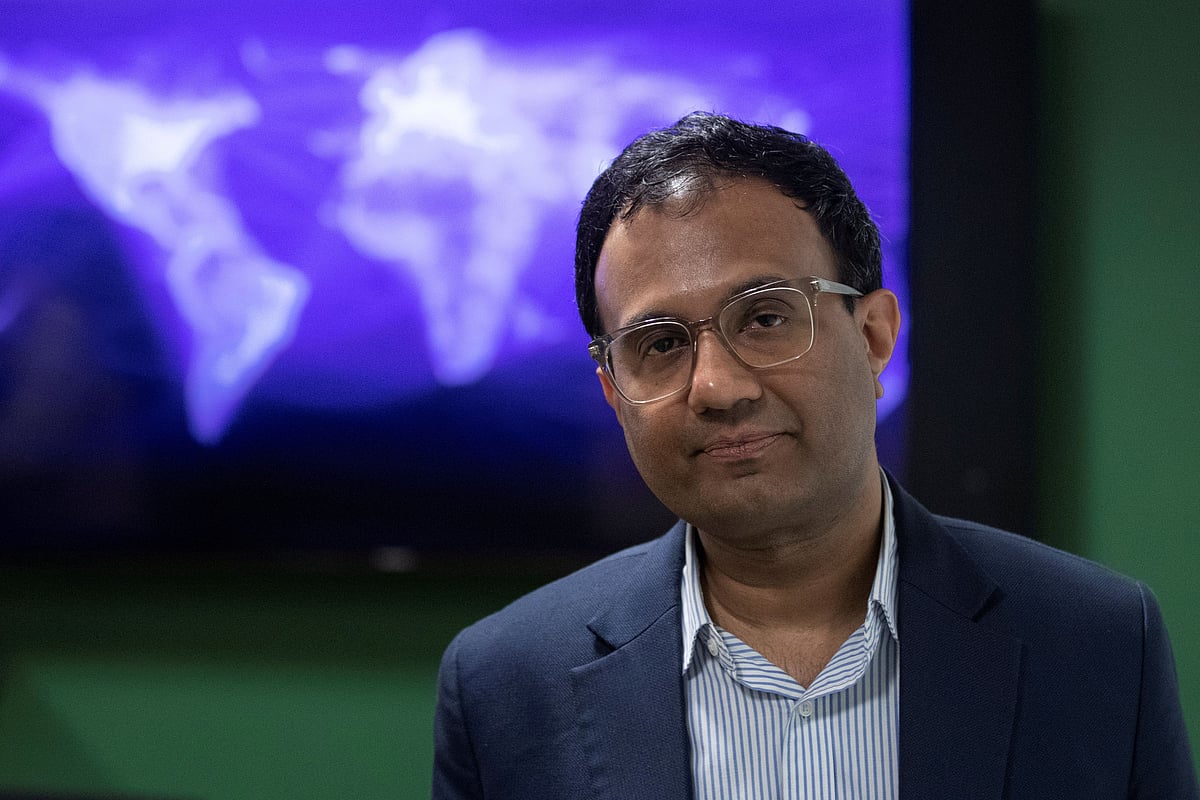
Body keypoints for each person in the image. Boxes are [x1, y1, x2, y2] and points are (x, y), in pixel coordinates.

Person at [431, 112, 1198, 799]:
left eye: (764, 317)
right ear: (612, 391)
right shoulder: (506, 686)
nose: (717, 387)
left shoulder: (1093, 644)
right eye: (660, 344)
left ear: (874, 337)